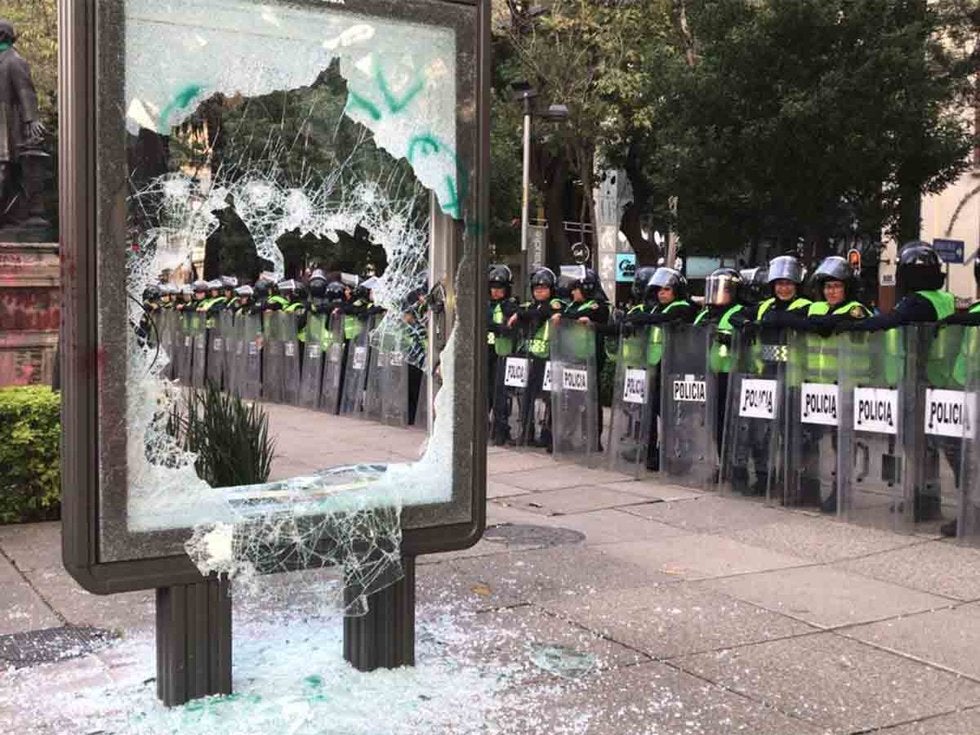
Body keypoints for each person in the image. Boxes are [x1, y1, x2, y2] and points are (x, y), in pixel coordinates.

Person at [840, 241, 956, 524]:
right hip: (942, 379)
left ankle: (924, 502)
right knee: (936, 447)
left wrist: (850, 325)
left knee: (917, 446)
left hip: (919, 379)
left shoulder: (916, 301)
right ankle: (926, 501)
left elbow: (889, 321)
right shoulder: (945, 298)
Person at [622, 267, 697, 470]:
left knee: (674, 417)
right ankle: (652, 453)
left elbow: (665, 318)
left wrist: (637, 319)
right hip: (656, 367)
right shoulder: (656, 309)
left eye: (666, 289)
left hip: (677, 368)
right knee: (651, 412)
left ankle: (677, 455)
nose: (662, 294)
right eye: (659, 290)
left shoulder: (684, 306)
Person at [693, 268, 751, 465]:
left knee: (731, 425)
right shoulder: (705, 314)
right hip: (708, 375)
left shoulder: (739, 311)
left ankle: (734, 467)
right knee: (714, 424)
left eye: (724, 290)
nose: (718, 294)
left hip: (731, 375)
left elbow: (745, 338)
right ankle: (721, 463)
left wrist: (727, 337)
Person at [507, 267, 565, 448]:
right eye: (536, 288)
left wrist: (520, 314)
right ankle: (527, 433)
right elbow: (519, 309)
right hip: (531, 357)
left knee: (550, 400)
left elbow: (542, 313)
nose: (539, 291)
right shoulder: (531, 306)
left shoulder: (555, 304)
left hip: (550, 358)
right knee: (526, 397)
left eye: (544, 288)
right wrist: (518, 312)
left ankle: (548, 437)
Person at [553, 268, 610, 452]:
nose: (572, 292)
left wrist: (563, 317)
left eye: (576, 289)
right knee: (572, 402)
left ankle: (592, 439)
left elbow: (592, 317)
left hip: (590, 361)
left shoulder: (597, 306)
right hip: (573, 360)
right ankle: (570, 437)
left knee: (591, 401)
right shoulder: (572, 306)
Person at [487, 265, 520, 445]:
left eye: (500, 288)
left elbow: (516, 321)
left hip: (502, 355)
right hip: (485, 354)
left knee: (500, 395)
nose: (496, 292)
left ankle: (501, 430)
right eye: (493, 288)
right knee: (484, 394)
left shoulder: (510, 305)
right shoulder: (484, 305)